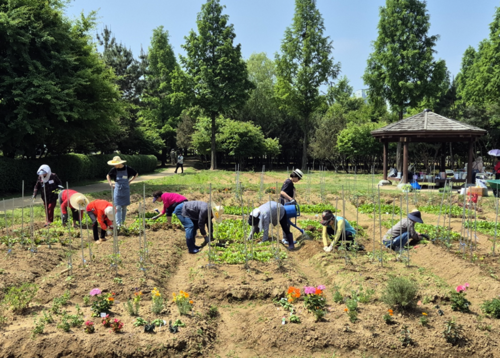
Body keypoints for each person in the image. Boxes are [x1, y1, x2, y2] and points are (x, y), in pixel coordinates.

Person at [106, 156, 138, 229]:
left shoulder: (128, 168)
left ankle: (122, 223)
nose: (114, 165)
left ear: (119, 163)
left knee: (124, 207)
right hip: (117, 189)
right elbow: (108, 175)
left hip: (125, 189)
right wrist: (110, 183)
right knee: (118, 206)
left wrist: (130, 181)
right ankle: (118, 224)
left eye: (115, 164)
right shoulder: (114, 169)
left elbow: (136, 174)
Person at [279, 169, 303, 245]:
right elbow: (282, 192)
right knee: (286, 221)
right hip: (285, 203)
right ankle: (285, 239)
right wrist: (291, 199)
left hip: (287, 203)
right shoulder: (288, 182)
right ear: (295, 176)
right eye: (298, 178)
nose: (298, 180)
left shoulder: (290, 182)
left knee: (286, 221)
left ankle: (286, 238)